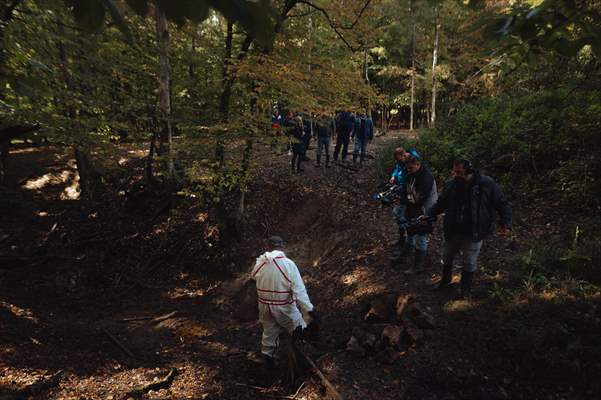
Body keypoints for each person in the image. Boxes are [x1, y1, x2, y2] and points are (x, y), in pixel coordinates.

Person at [429, 159, 512, 299]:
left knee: (469, 261)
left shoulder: (486, 184)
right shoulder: (451, 185)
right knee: (446, 257)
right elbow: (441, 203)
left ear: (469, 171)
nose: (455, 174)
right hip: (453, 229)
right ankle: (445, 281)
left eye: (459, 172)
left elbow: (501, 203)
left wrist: (506, 223)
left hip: (474, 231)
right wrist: (429, 214)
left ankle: (465, 289)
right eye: (454, 171)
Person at [250, 236, 317, 368]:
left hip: (264, 307)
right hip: (284, 307)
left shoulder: (261, 262)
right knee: (299, 329)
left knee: (269, 332)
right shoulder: (288, 264)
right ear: (282, 247)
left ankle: (268, 363)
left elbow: (253, 277)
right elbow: (299, 291)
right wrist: (310, 310)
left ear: (268, 247)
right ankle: (302, 364)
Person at [401, 155, 438, 274]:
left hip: (426, 210)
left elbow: (419, 200)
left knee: (421, 236)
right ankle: (405, 256)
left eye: (411, 168)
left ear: (418, 164)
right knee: (410, 231)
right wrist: (405, 200)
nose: (409, 170)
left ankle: (418, 266)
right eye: (407, 168)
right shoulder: (411, 175)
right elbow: (405, 191)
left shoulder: (426, 178)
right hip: (413, 207)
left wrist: (407, 200)